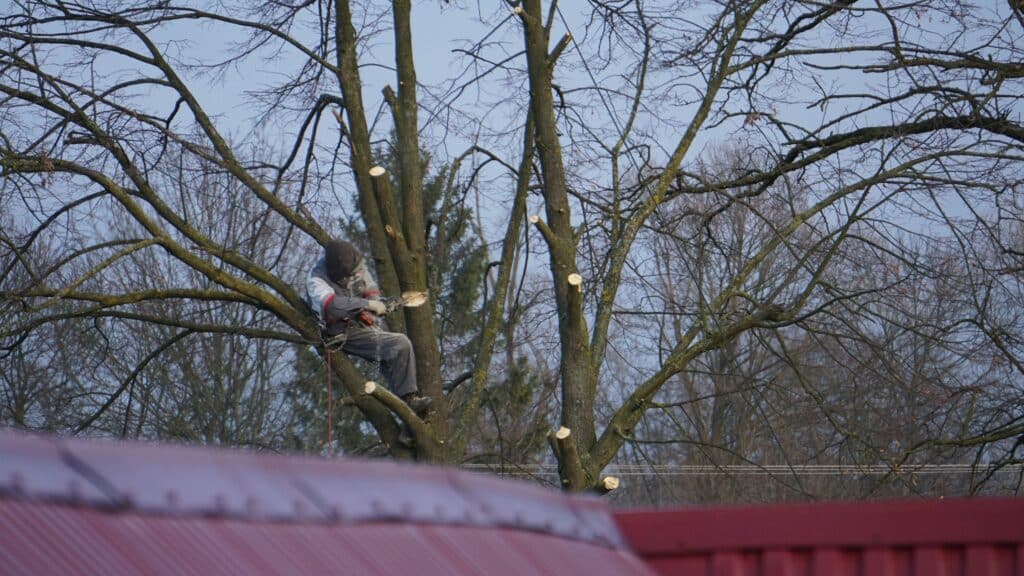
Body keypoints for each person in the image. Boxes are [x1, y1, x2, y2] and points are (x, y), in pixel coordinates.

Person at [306, 238, 432, 415]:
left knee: (392, 357)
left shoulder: (355, 261)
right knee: (400, 344)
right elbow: (332, 305)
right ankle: (409, 403)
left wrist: (375, 303)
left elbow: (369, 286)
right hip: (338, 333)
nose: (352, 276)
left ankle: (409, 410)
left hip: (357, 323)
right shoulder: (316, 280)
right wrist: (366, 305)